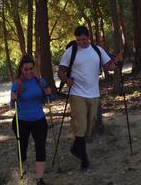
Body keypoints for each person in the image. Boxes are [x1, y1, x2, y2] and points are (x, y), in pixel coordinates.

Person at [58, 26, 123, 171]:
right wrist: (67, 80)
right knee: (80, 125)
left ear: (89, 37)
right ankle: (85, 162)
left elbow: (109, 67)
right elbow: (61, 71)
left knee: (88, 128)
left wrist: (117, 61)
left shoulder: (97, 50)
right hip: (77, 94)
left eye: (83, 39)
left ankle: (75, 149)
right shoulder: (71, 51)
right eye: (78, 40)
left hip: (94, 94)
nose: (81, 42)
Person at [10, 54, 51, 185]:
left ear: (34, 68)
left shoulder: (40, 81)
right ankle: (24, 172)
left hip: (39, 120)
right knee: (22, 147)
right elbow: (12, 105)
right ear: (21, 69)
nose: (29, 72)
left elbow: (48, 98)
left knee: (40, 147)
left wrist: (48, 93)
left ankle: (40, 179)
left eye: (31, 69)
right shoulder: (17, 84)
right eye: (26, 69)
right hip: (21, 121)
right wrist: (13, 98)